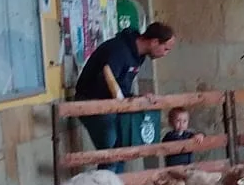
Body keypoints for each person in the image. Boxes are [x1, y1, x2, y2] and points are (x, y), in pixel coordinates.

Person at [71, 21, 177, 173]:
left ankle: (117, 182)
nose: (165, 53)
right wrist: (126, 99)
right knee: (112, 151)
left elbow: (120, 86)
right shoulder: (118, 50)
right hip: (92, 101)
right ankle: (106, 184)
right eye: (165, 49)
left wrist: (134, 97)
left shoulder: (138, 56)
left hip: (112, 105)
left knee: (122, 147)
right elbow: (106, 82)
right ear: (154, 42)